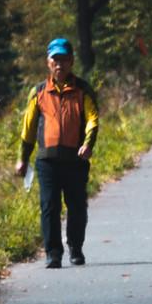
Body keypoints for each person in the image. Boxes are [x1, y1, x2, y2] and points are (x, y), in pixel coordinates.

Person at [14, 36, 99, 268]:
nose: (59, 64)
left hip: (76, 160)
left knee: (77, 205)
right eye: (55, 59)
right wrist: (23, 159)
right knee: (49, 206)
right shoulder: (39, 92)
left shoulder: (82, 90)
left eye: (64, 59)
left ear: (71, 62)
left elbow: (92, 118)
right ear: (48, 63)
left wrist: (88, 143)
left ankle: (75, 247)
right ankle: (53, 253)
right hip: (47, 162)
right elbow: (28, 127)